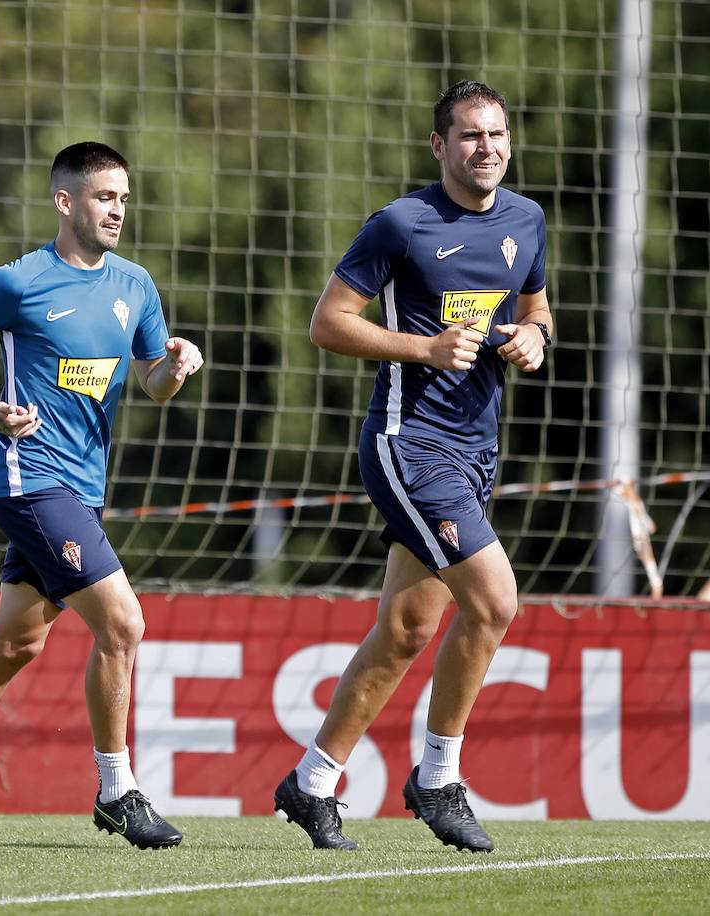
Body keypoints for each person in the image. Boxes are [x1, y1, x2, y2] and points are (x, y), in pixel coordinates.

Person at [0, 141, 203, 853]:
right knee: (123, 623)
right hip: (31, 480)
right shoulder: (18, 282)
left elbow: (153, 382)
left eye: (123, 198)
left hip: (83, 490)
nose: (118, 210)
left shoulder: (135, 285)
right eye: (104, 197)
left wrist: (178, 366)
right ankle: (117, 791)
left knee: (16, 642)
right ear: (65, 202)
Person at [274, 81, 551, 853]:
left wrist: (535, 336)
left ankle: (312, 782)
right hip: (409, 443)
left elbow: (536, 306)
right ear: (440, 146)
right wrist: (424, 348)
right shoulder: (400, 224)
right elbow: (328, 323)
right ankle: (438, 778)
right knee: (494, 603)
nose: (487, 148)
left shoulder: (526, 219)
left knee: (404, 630)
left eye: (497, 134)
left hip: (476, 449)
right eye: (470, 135)